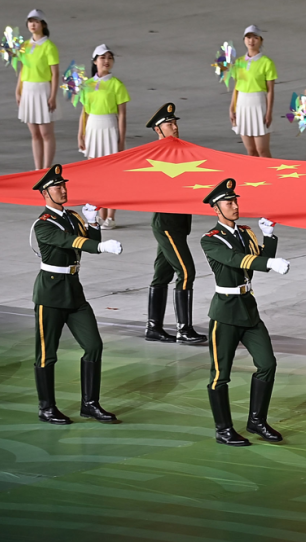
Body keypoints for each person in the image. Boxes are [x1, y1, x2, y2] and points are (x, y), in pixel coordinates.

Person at [200, 179, 291, 446]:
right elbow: (235, 260)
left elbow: (258, 259)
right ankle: (223, 429)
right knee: (220, 375)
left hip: (248, 309)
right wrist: (269, 262)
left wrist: (269, 237)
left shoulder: (246, 232)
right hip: (225, 313)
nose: (235, 206)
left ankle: (257, 421)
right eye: (228, 203)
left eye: (235, 201)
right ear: (216, 209)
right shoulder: (210, 240)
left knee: (267, 364)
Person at [30, 164, 123, 425]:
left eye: (63, 185)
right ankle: (47, 408)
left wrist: (92, 221)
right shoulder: (43, 224)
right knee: (46, 353)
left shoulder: (72, 217)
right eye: (57, 187)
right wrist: (101, 247)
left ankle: (90, 404)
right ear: (45, 193)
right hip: (50, 294)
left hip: (73, 291)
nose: (63, 189)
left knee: (93, 345)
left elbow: (89, 238)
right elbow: (70, 241)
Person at [144, 103, 206, 344]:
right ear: (158, 129)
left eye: (175, 122)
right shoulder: (155, 156)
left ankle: (153, 328)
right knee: (186, 272)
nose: (175, 126)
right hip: (167, 222)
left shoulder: (181, 152)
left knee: (162, 273)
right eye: (169, 124)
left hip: (179, 223)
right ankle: (184, 329)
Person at [77, 44, 129, 229]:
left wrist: (121, 139)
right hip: (92, 128)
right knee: (95, 175)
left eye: (109, 58)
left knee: (112, 175)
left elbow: (122, 114)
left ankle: (111, 216)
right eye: (102, 57)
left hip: (109, 127)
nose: (106, 61)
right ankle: (99, 214)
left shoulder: (117, 84)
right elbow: (85, 112)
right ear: (94, 61)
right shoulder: (86, 85)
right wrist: (81, 134)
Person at [15, 9, 60, 170]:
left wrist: (52, 96)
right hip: (28, 90)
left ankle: (47, 168)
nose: (32, 25)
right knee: (35, 134)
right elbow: (23, 69)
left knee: (46, 133)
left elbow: (55, 74)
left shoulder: (49, 46)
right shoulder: (24, 46)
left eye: (36, 21)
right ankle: (37, 169)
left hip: (43, 90)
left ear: (43, 25)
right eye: (30, 22)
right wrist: (18, 90)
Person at [227, 25, 276, 157]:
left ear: (261, 40)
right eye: (248, 37)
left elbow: (270, 90)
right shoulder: (238, 62)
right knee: (251, 151)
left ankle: (270, 171)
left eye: (255, 37)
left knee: (262, 150)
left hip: (259, 104)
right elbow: (237, 87)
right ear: (244, 40)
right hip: (242, 105)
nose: (251, 41)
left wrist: (269, 112)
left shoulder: (267, 62)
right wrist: (232, 108)